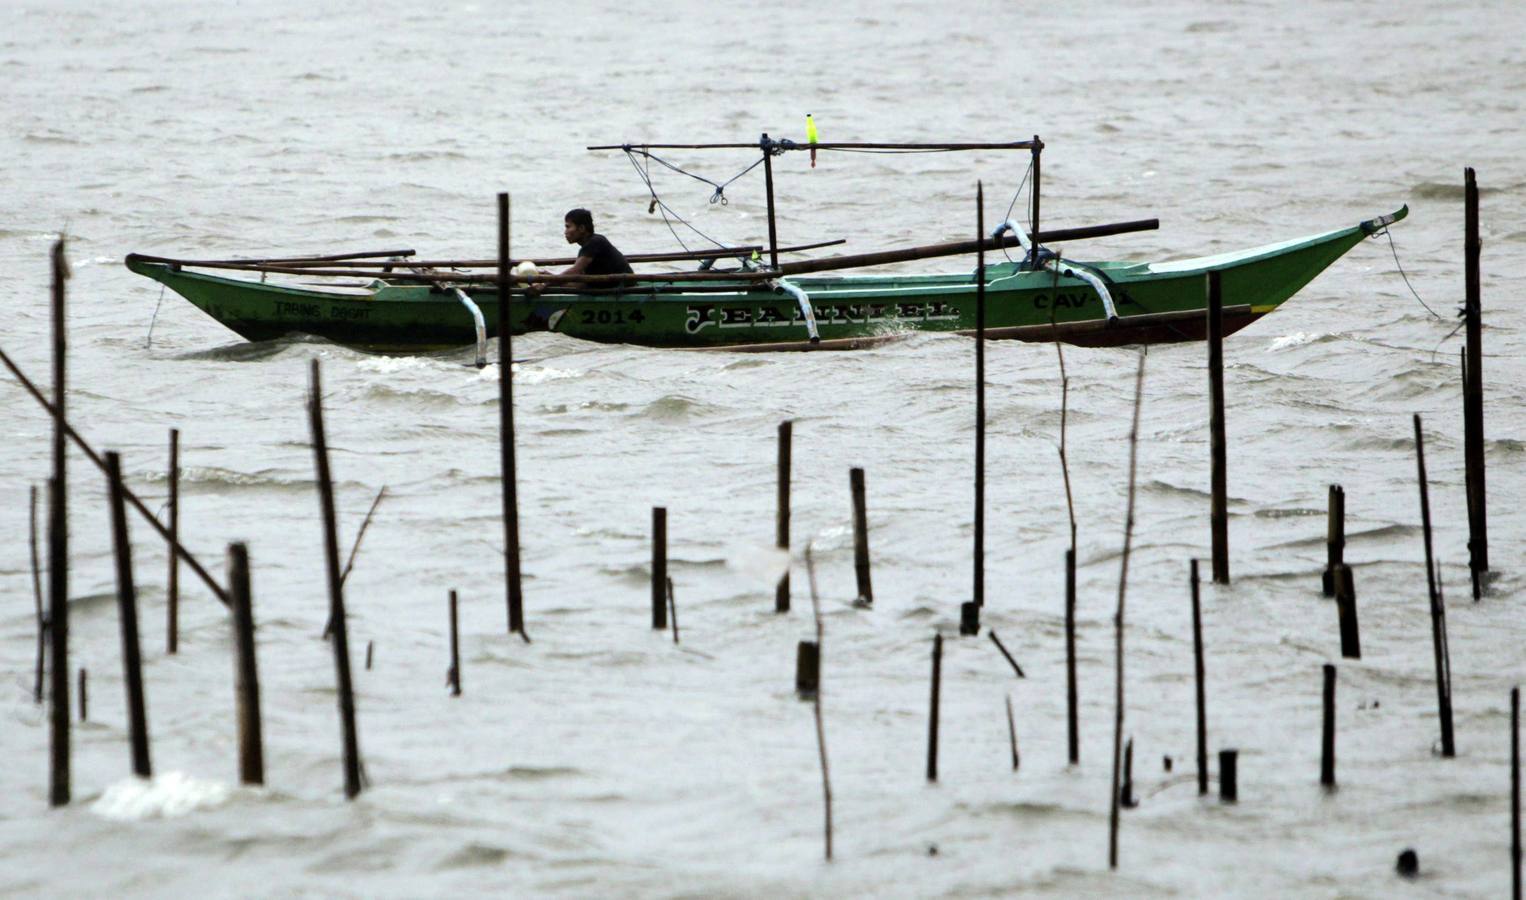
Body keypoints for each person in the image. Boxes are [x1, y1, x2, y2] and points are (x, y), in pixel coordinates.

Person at [550, 208, 632, 289]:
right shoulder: (588, 246)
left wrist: (548, 282)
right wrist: (552, 279)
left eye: (568, 227)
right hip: (608, 284)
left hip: (622, 287)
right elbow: (580, 277)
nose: (565, 232)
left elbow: (576, 270)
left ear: (582, 228)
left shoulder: (595, 242)